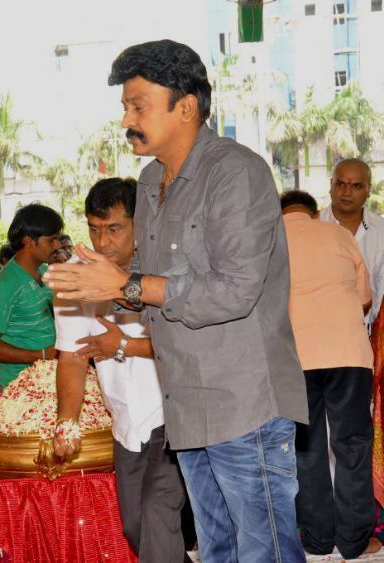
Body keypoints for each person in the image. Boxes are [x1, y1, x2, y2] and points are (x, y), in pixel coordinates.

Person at [43, 39, 308, 562]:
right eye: (125, 107)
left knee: (265, 552)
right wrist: (102, 284)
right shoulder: (149, 182)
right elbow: (153, 284)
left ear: (185, 107)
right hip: (185, 403)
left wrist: (124, 286)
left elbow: (234, 290)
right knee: (216, 549)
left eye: (138, 106)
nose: (127, 120)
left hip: (244, 403)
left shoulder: (235, 172)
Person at [53, 177, 189, 562]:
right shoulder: (74, 277)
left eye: (114, 229)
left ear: (139, 223)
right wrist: (67, 421)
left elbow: (192, 345)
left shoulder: (167, 266)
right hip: (126, 421)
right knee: (136, 527)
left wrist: (126, 345)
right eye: (94, 229)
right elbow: (72, 356)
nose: (103, 242)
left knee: (157, 516)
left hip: (174, 413)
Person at [281, 191, 379, 558]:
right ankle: (354, 541)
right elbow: (365, 297)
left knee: (307, 450)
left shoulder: (270, 239)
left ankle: (317, 539)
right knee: (352, 445)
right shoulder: (339, 234)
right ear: (312, 213)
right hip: (349, 354)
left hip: (297, 358)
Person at [0, 203, 63, 390]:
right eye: (52, 240)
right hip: (19, 387)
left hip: (49, 380)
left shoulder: (45, 270)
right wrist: (41, 355)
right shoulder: (5, 285)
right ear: (28, 240)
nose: (57, 245)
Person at [320, 158, 384, 328]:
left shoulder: (381, 232)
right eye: (340, 184)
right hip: (319, 331)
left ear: (369, 189)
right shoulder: (313, 226)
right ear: (331, 185)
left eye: (356, 186)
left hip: (370, 333)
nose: (347, 192)